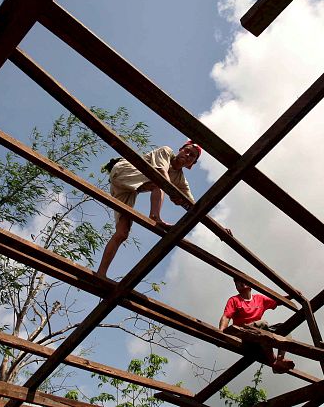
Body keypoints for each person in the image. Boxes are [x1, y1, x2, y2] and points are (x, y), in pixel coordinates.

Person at [96, 141, 201, 278]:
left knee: (122, 233)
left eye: (192, 156)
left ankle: (101, 273)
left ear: (191, 165)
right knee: (161, 182)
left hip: (129, 189)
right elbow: (162, 173)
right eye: (186, 150)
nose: (187, 155)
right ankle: (155, 216)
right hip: (124, 170)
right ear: (180, 149)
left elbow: (195, 206)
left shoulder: (180, 180)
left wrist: (220, 228)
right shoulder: (166, 150)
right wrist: (174, 194)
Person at [219, 278, 295, 374]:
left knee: (285, 327)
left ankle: (280, 358)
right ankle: (273, 362)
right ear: (236, 287)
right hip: (243, 333)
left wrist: (292, 296)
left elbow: (277, 301)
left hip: (259, 332)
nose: (242, 283)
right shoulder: (234, 300)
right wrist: (221, 333)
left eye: (244, 280)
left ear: (251, 285)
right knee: (263, 324)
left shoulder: (259, 299)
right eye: (238, 282)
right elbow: (226, 316)